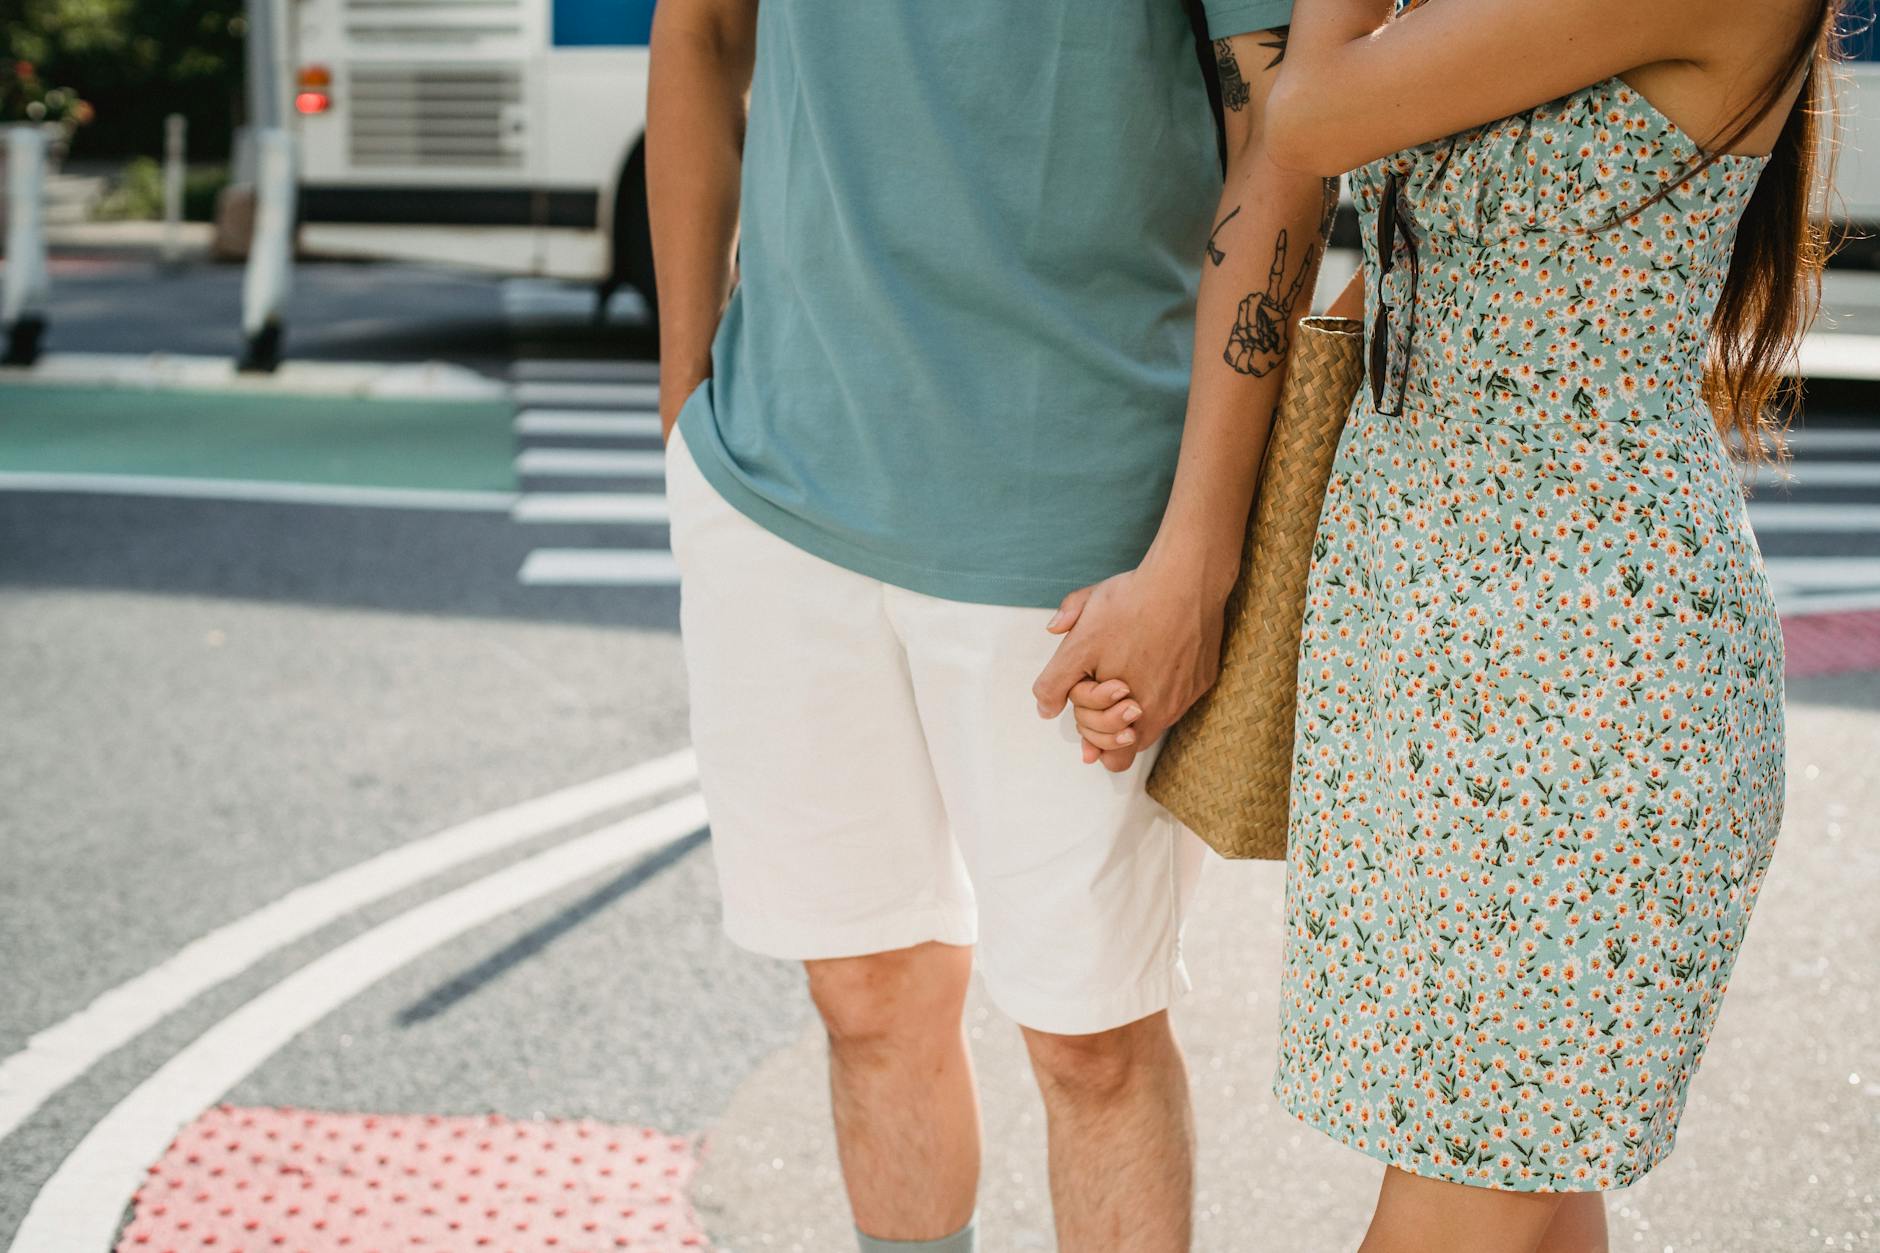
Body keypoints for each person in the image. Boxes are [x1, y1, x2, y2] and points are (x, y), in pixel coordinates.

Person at [1063, 0, 1834, 1249]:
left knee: (1460, 1199)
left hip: (1582, 679)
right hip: (1425, 656)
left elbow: (1307, 115)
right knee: (1525, 1193)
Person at [646, 2, 1333, 1249]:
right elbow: (697, 30)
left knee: (1091, 1044)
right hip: (774, 482)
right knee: (865, 996)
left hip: (1075, 525)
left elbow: (1285, 126)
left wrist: (1196, 555)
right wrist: (681, 400)